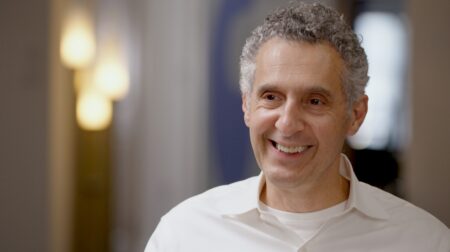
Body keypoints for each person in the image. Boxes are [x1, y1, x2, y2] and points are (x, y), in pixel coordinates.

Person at [145, 2, 449, 251]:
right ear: (247, 106)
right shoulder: (183, 234)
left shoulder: (425, 242)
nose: (287, 123)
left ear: (356, 115)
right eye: (271, 97)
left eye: (315, 101)